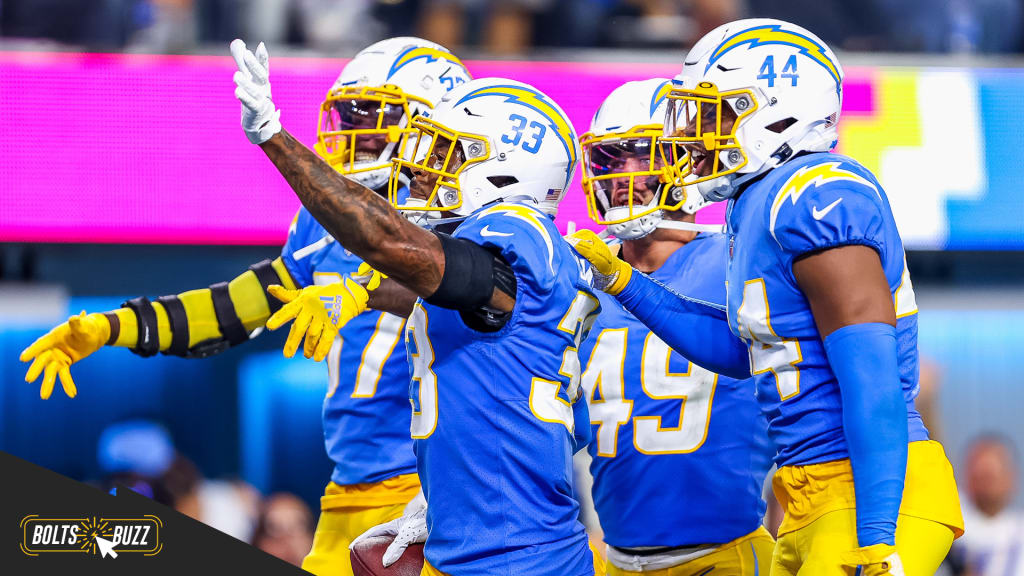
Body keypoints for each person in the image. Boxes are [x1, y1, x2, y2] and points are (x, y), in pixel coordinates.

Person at [19, 36, 471, 576]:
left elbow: (457, 296)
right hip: (348, 490)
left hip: (430, 490)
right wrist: (115, 325)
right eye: (349, 115)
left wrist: (363, 289)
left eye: (372, 115)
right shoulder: (321, 227)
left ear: (427, 124)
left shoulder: (459, 221)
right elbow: (235, 309)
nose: (355, 132)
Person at [568, 18, 964, 575]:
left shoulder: (818, 191)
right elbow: (739, 353)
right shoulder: (756, 205)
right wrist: (625, 283)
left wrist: (877, 535)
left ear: (777, 111)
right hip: (810, 497)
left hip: (871, 492)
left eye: (715, 113)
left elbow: (872, 376)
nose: (692, 135)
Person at [231, 37, 602, 574]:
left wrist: (273, 137)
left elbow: (393, 245)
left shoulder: (514, 234)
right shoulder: (502, 266)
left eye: (449, 153)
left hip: (517, 556)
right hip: (485, 540)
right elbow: (571, 418)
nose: (424, 168)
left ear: (501, 170)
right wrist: (361, 289)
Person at [576, 78, 775, 575]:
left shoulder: (736, 257)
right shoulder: (577, 273)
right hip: (613, 557)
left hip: (725, 555)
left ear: (685, 159)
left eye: (639, 155)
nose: (621, 176)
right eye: (609, 158)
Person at [954, 434, 1024, 576]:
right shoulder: (950, 526)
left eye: (990, 476)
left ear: (1011, 477)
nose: (984, 486)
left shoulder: (1018, 532)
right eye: (978, 476)